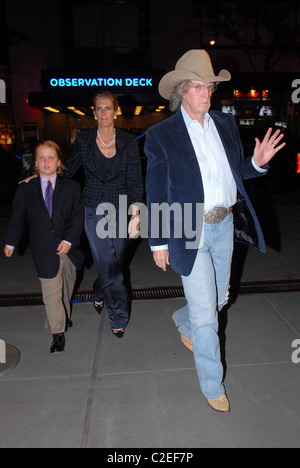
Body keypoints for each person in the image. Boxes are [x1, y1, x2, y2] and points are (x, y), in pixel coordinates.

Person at [145, 50, 285, 413]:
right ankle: (212, 384)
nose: (206, 93)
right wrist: (158, 240)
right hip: (188, 228)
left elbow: (233, 173)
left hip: (225, 224)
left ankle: (184, 319)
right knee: (208, 316)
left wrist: (256, 163)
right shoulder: (161, 135)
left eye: (209, 86)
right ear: (181, 92)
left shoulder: (224, 124)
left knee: (219, 299)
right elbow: (156, 189)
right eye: (197, 87)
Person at [65, 91, 144, 338]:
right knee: (110, 265)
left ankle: (99, 291)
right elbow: (67, 170)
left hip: (120, 210)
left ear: (116, 111)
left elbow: (135, 182)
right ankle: (118, 316)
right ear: (93, 112)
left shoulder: (129, 142)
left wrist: (136, 215)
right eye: (98, 109)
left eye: (108, 108)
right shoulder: (85, 139)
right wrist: (41, 178)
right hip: (93, 210)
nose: (103, 113)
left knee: (114, 263)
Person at [4, 140, 84, 354]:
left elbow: (77, 216)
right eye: (42, 158)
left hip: (68, 250)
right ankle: (57, 334)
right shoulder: (25, 189)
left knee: (66, 289)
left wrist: (68, 240)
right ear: (36, 163)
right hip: (42, 250)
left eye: (51, 157)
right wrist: (11, 241)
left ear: (59, 161)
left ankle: (62, 316)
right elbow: (18, 217)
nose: (46, 161)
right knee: (51, 293)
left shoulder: (71, 187)